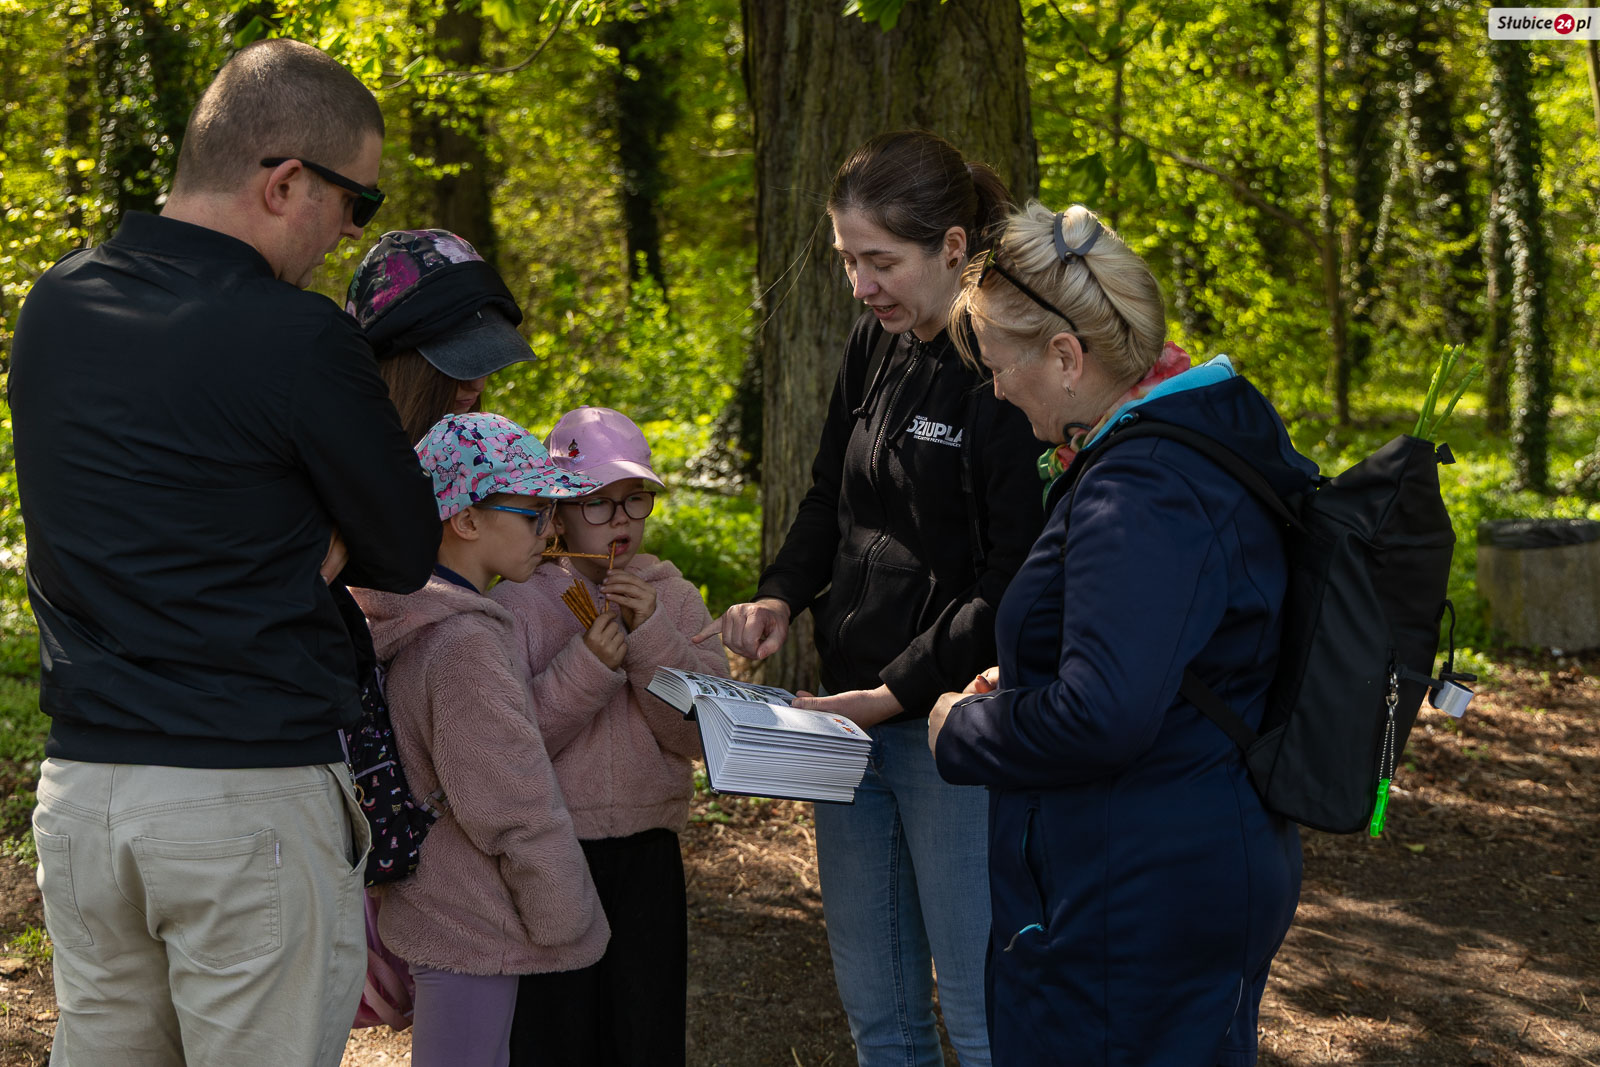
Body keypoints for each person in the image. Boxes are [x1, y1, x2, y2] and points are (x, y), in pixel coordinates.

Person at [9, 39, 439, 1066]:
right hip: (247, 794)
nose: (350, 231)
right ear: (286, 178)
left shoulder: (55, 307)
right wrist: (299, 538)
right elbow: (407, 545)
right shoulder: (294, 338)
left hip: (84, 795)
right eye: (356, 202)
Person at [927, 202, 1313, 1066]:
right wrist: (1029, 679)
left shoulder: (1140, 487)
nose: (993, 388)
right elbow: (1156, 657)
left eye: (998, 367)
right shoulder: (1194, 435)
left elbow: (1104, 714)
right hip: (1170, 862)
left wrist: (966, 727)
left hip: (1132, 900)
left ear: (1067, 357)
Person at [695, 131, 1045, 1067]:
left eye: (881, 261)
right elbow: (827, 501)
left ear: (956, 247)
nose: (861, 285)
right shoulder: (875, 343)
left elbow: (1015, 576)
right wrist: (779, 593)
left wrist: (900, 690)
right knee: (879, 1015)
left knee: (981, 1019)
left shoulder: (1006, 370)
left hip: (949, 729)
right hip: (842, 723)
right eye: (850, 259)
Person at [352, 413, 611, 1067]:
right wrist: (565, 913)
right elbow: (509, 796)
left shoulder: (420, 614)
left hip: (436, 901)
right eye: (533, 513)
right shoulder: (463, 641)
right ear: (466, 519)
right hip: (471, 920)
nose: (551, 530)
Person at [492, 405, 729, 1066]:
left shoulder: (673, 597)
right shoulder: (518, 603)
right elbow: (514, 739)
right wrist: (591, 666)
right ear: (557, 511)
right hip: (554, 852)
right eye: (599, 503)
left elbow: (701, 736)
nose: (621, 518)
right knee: (555, 1035)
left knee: (645, 1030)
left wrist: (652, 637)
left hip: (648, 854)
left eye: (635, 499)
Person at [346, 228, 535, 442]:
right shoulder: (338, 466)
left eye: (485, 356)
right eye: (459, 360)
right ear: (397, 367)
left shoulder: (480, 459)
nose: (478, 385)